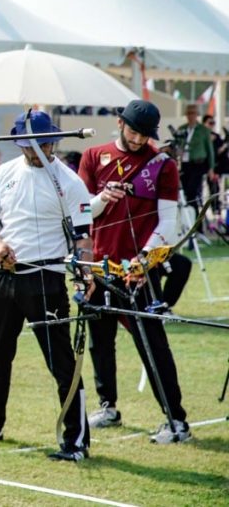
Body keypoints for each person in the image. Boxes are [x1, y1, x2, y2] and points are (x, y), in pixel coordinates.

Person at [0, 110, 93, 462]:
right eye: (30, 146)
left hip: (45, 279)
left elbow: (82, 240)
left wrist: (83, 270)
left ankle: (76, 440)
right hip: (3, 276)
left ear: (54, 142)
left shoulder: (70, 182)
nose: (38, 151)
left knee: (61, 362)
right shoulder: (5, 173)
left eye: (44, 144)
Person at [77, 99, 192, 444]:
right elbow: (82, 212)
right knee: (100, 341)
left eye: (146, 134)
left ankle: (177, 422)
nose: (140, 139)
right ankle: (107, 405)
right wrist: (101, 198)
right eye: (134, 131)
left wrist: (145, 259)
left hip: (139, 270)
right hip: (99, 266)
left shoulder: (162, 165)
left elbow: (168, 221)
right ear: (119, 123)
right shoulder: (94, 157)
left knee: (152, 344)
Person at [176, 103, 215, 216]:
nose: (191, 116)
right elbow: (177, 146)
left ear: (197, 114)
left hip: (198, 164)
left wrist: (211, 168)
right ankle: (188, 218)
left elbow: (210, 151)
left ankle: (197, 223)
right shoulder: (182, 129)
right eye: (188, 113)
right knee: (184, 193)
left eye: (193, 113)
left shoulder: (203, 130)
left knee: (192, 193)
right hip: (184, 164)